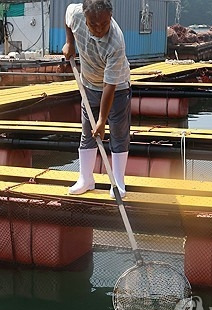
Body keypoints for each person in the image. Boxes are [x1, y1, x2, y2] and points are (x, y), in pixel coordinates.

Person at [62, 0, 131, 198]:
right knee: (87, 132)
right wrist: (69, 42)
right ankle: (86, 178)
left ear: (110, 17)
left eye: (104, 24)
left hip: (116, 88)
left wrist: (102, 120)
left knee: (118, 133)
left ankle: (117, 181)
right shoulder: (76, 14)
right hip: (89, 83)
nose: (99, 29)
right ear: (85, 18)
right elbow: (67, 19)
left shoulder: (116, 42)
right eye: (93, 24)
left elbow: (110, 86)